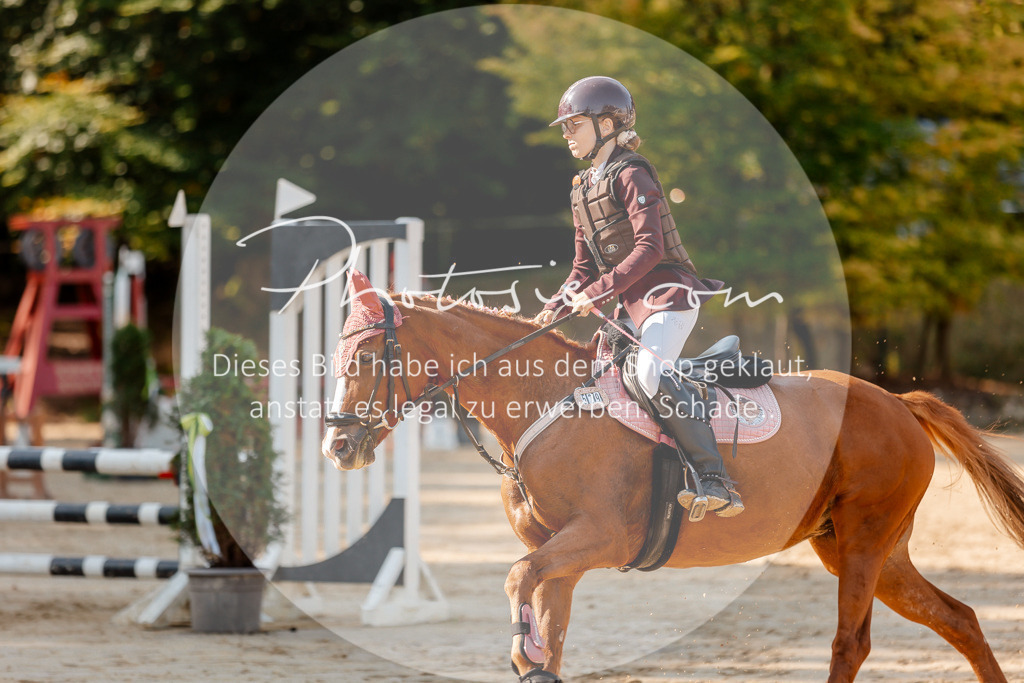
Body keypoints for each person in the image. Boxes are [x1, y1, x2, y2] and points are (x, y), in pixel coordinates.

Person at [533, 76, 743, 518]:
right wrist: (553, 307)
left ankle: (715, 478)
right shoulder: (582, 188)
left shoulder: (632, 172)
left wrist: (596, 293)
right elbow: (583, 268)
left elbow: (651, 248)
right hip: (630, 307)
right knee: (599, 382)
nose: (567, 134)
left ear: (606, 123)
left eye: (574, 125)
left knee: (647, 374)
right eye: (566, 127)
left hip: (668, 295)